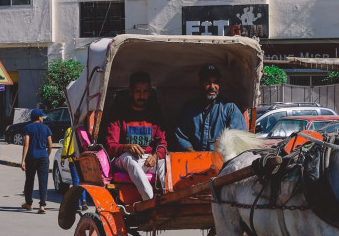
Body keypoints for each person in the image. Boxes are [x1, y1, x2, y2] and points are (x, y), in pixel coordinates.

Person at [103, 71, 168, 201]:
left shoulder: (154, 115)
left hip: (148, 159)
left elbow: (163, 144)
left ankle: (168, 197)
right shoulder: (118, 114)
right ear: (131, 91)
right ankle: (149, 200)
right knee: (129, 159)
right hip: (122, 160)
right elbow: (110, 146)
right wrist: (126, 147)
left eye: (145, 92)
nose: (142, 96)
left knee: (164, 163)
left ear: (149, 92)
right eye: (138, 91)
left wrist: (156, 156)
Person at [171, 64, 246, 151]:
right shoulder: (189, 109)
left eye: (215, 82)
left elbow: (240, 136)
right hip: (193, 160)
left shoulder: (229, 108)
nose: (212, 87)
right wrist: (194, 155)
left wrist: (225, 142)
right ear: (200, 83)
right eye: (208, 82)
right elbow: (181, 136)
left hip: (223, 160)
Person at [21, 108, 53, 213]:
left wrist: (23, 160)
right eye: (42, 116)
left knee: (29, 180)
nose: (43, 118)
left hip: (31, 157)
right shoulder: (46, 128)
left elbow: (26, 144)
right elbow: (50, 145)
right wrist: (47, 155)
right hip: (43, 157)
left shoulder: (28, 128)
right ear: (39, 117)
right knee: (43, 181)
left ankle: (29, 204)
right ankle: (42, 206)